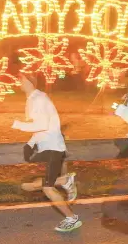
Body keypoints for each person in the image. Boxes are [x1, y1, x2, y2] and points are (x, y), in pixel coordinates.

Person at [11, 73, 80, 232]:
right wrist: (30, 143)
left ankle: (72, 218)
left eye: (21, 79)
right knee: (32, 185)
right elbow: (41, 126)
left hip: (53, 148)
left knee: (47, 188)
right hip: (48, 147)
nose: (18, 81)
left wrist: (16, 124)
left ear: (30, 81)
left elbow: (42, 124)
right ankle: (65, 181)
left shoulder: (38, 99)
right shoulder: (33, 99)